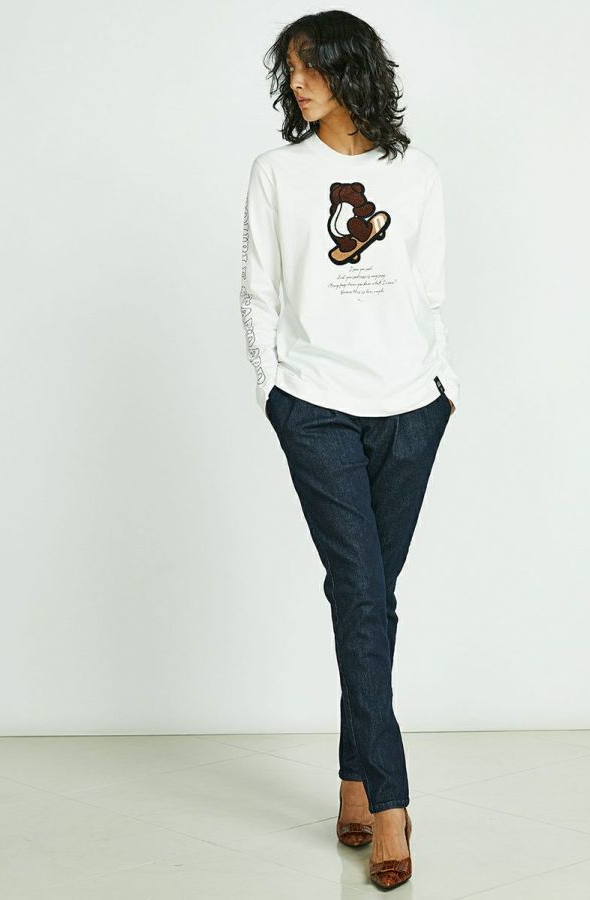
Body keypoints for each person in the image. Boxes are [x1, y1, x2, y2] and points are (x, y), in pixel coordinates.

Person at [239, 10, 460, 890]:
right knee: (363, 595)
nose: (297, 83)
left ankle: (353, 779)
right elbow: (258, 292)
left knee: (369, 599)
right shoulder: (277, 174)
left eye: (312, 67)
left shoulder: (418, 174)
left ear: (351, 71)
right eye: (290, 69)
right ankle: (394, 807)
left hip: (411, 409)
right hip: (317, 408)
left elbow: (429, 294)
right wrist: (274, 391)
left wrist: (442, 386)